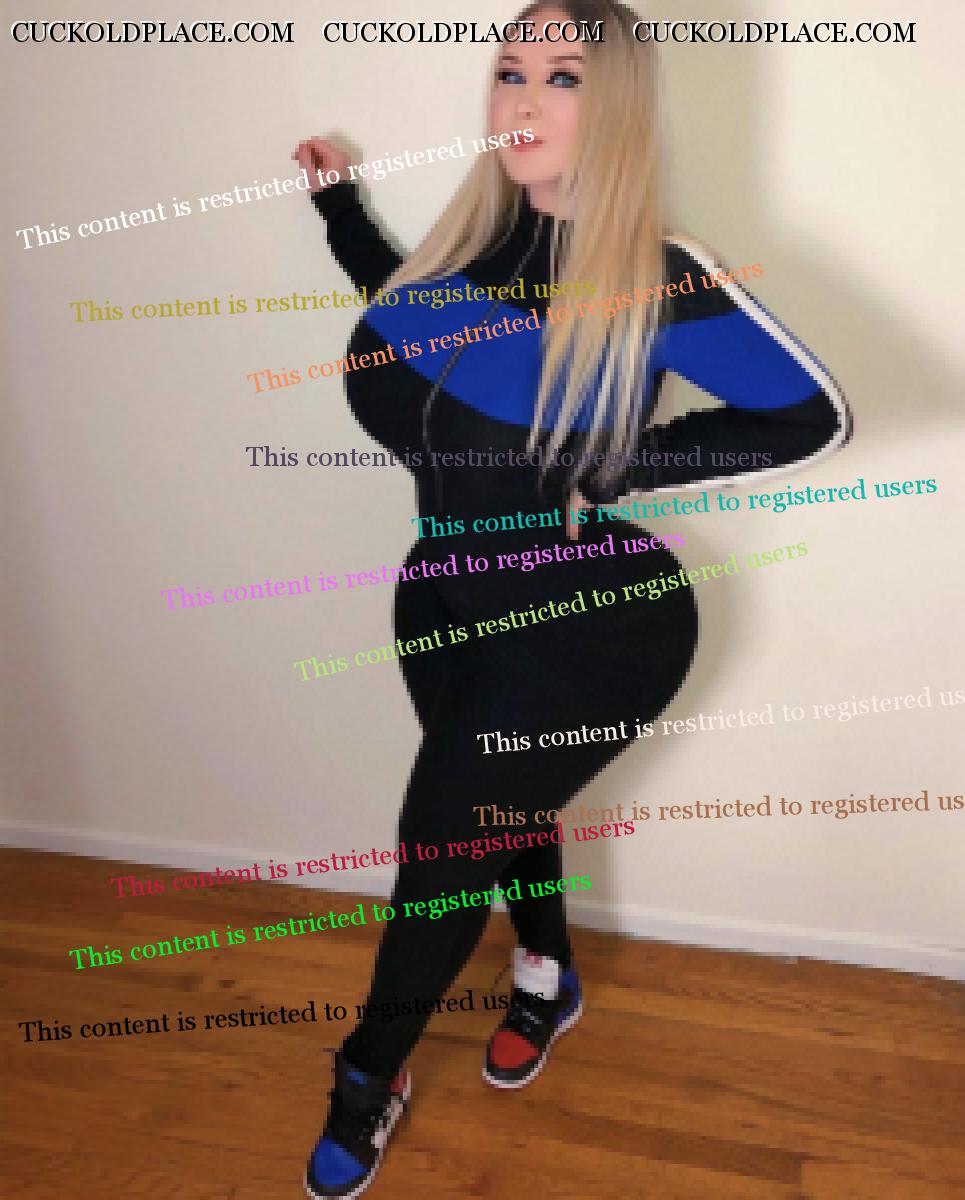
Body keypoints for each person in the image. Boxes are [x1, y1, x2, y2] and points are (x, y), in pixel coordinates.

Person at [293, 2, 849, 1194]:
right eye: (508, 70)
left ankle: (364, 1079)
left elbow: (812, 416)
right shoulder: (462, 257)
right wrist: (339, 211)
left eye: (562, 75)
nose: (523, 98)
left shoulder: (653, 273)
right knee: (501, 809)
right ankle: (545, 973)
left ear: (619, 105)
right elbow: (412, 319)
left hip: (582, 620)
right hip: (439, 594)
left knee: (442, 849)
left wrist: (619, 466)